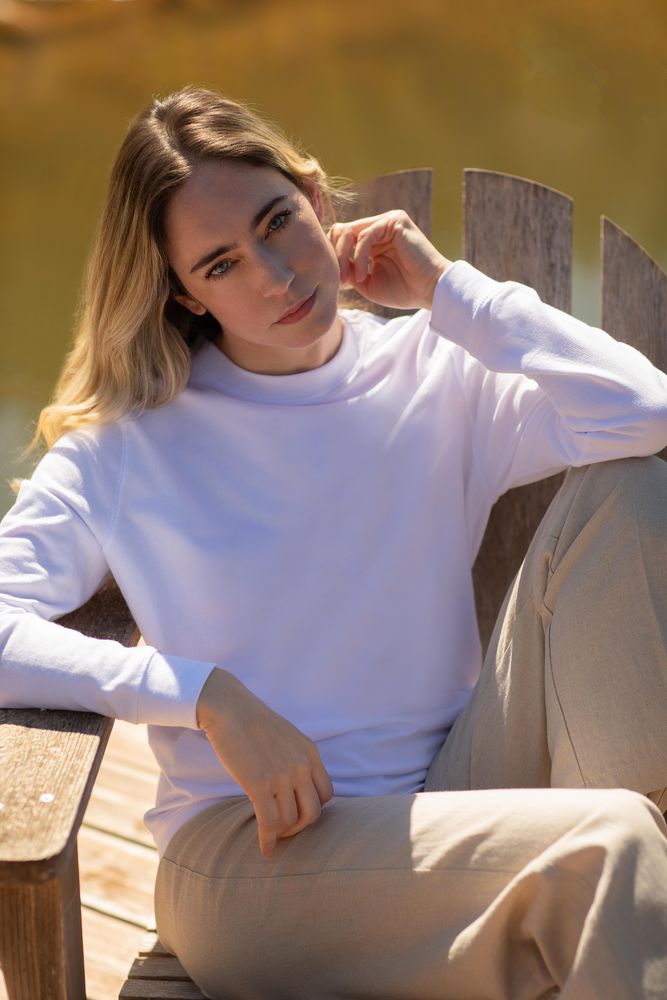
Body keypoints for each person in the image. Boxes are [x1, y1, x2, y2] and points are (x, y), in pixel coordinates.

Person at [2, 85, 667, 1000]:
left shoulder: (434, 368)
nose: (275, 276)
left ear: (317, 200)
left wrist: (446, 290)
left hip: (451, 803)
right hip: (255, 857)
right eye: (222, 264)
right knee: (611, 844)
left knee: (630, 490)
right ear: (185, 294)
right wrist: (206, 697)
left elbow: (644, 417)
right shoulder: (128, 449)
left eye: (278, 221)